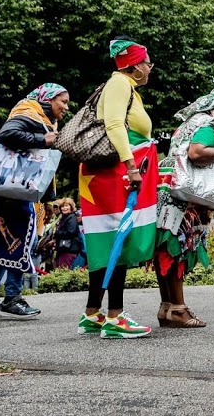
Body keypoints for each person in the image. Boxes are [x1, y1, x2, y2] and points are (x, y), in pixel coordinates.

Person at [77, 39, 160, 339]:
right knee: (118, 240)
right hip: (115, 174)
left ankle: (92, 313)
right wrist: (132, 166)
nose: (150, 67)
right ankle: (115, 317)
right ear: (136, 66)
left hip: (111, 173)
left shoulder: (124, 87)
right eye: (148, 62)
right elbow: (113, 125)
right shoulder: (119, 84)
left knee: (107, 240)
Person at [0, 83, 69, 320]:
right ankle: (12, 299)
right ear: (47, 99)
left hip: (11, 196)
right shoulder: (27, 112)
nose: (66, 107)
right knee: (20, 246)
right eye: (63, 101)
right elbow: (7, 135)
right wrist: (42, 139)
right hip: (14, 197)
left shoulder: (43, 120)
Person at [155, 83, 214, 328]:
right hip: (182, 196)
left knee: (164, 247)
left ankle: (167, 307)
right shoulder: (210, 124)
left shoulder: (191, 122)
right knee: (178, 248)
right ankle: (179, 309)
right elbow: (196, 153)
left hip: (166, 187)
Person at [53, 198, 84, 269]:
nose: (64, 208)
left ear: (71, 207)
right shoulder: (65, 217)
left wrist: (57, 233)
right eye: (62, 206)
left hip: (69, 250)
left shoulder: (71, 217)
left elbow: (71, 232)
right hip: (64, 250)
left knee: (63, 273)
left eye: (66, 206)